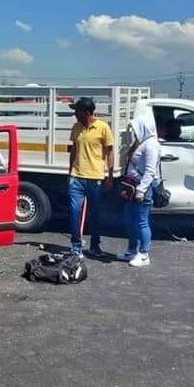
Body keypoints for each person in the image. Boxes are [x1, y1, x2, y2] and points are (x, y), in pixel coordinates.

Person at [67, 96, 115, 258]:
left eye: (77, 111)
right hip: (76, 177)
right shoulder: (76, 127)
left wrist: (110, 176)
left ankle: (95, 245)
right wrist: (69, 171)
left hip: (95, 178)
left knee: (95, 213)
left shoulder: (103, 128)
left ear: (86, 112)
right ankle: (76, 246)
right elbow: (73, 150)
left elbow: (110, 152)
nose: (75, 114)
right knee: (74, 211)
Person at [122, 104, 160, 267]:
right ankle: (131, 250)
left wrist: (141, 190)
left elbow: (150, 171)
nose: (134, 132)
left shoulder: (151, 145)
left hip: (142, 188)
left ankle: (144, 254)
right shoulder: (143, 142)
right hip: (133, 186)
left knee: (142, 221)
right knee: (130, 219)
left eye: (136, 128)